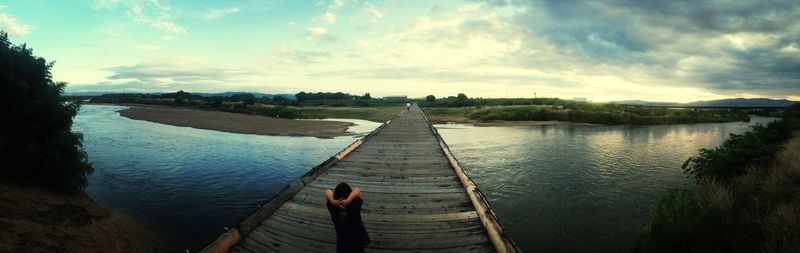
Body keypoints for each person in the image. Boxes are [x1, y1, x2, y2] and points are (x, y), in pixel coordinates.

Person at [325, 183, 371, 253]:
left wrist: (333, 201)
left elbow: (327, 191)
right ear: (350, 193)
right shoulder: (355, 205)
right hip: (358, 238)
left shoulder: (332, 207)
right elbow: (357, 189)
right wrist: (348, 200)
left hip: (342, 241)